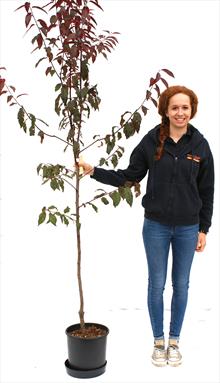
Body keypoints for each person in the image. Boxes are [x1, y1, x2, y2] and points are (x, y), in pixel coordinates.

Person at [77, 85, 214, 367]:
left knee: (182, 284)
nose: (180, 112)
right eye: (174, 107)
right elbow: (129, 176)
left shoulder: (200, 145)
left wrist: (204, 229)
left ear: (192, 110)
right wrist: (93, 172)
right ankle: (158, 342)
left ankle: (174, 341)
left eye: (185, 107)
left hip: (188, 228)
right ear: (165, 110)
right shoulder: (152, 141)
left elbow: (207, 190)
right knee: (156, 284)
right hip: (156, 227)